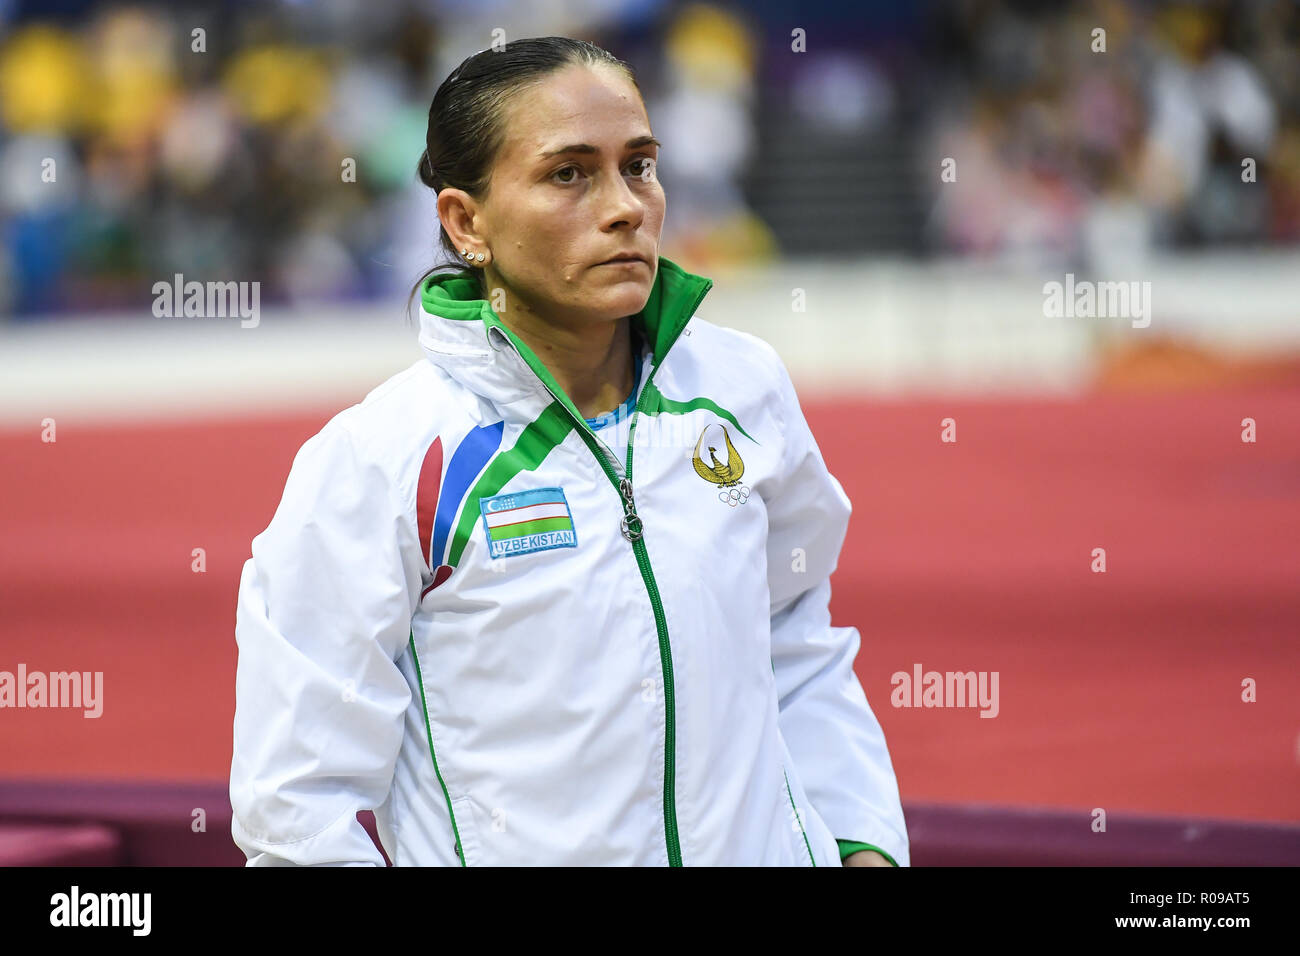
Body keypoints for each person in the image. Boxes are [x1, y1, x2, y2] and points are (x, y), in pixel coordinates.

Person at [229, 36, 908, 867]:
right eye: (569, 174)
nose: (625, 206)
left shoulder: (740, 389)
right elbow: (299, 809)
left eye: (641, 166)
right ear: (464, 222)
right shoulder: (385, 460)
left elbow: (795, 641)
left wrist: (861, 843)